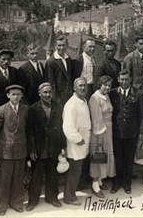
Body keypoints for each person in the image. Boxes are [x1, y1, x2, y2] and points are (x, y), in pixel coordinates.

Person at [26, 83, 66, 211]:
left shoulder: (58, 107)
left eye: (50, 92)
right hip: (39, 148)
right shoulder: (32, 109)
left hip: (53, 146)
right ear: (39, 94)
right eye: (45, 92)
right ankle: (33, 200)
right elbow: (30, 131)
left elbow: (61, 128)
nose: (48, 95)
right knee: (36, 176)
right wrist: (31, 150)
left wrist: (62, 147)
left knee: (52, 174)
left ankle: (52, 197)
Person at [109, 71, 143, 194]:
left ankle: (126, 183)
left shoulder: (138, 93)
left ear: (130, 80)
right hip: (117, 132)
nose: (124, 82)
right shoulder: (113, 93)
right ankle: (116, 183)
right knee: (117, 159)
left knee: (128, 159)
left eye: (126, 79)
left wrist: (142, 133)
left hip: (131, 132)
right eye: (122, 79)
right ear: (118, 80)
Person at [0, 84, 28, 215]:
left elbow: (27, 130)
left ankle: (16, 202)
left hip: (21, 148)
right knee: (4, 179)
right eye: (13, 94)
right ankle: (1, 206)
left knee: (18, 178)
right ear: (8, 95)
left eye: (18, 94)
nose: (16, 97)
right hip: (6, 150)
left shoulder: (25, 109)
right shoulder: (1, 110)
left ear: (22, 96)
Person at [62, 78, 92, 206]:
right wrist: (78, 140)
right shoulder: (71, 104)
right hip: (76, 143)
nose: (83, 88)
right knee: (74, 171)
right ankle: (69, 197)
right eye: (80, 86)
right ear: (74, 88)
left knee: (78, 170)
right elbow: (68, 127)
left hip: (83, 141)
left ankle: (72, 192)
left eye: (84, 85)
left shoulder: (83, 101)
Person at [88, 75, 116, 198]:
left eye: (109, 85)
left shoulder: (106, 96)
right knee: (97, 156)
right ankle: (95, 184)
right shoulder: (95, 98)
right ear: (100, 84)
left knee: (105, 155)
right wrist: (99, 135)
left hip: (108, 130)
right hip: (99, 131)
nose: (107, 87)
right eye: (105, 85)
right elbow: (96, 118)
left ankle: (100, 180)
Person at [46, 35, 74, 106]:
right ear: (55, 46)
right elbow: (51, 83)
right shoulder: (51, 62)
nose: (61, 48)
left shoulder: (68, 59)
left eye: (63, 45)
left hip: (70, 96)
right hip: (59, 99)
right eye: (59, 45)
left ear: (67, 45)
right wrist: (56, 100)